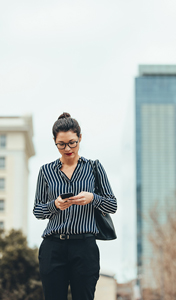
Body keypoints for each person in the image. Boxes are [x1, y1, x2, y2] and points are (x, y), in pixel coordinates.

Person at [33, 112, 117, 300]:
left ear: (80, 137)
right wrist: (54, 205)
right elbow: (37, 210)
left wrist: (92, 198)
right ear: (54, 141)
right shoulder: (46, 171)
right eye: (61, 144)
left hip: (84, 247)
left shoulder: (94, 167)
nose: (67, 148)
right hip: (53, 247)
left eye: (72, 142)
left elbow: (112, 204)